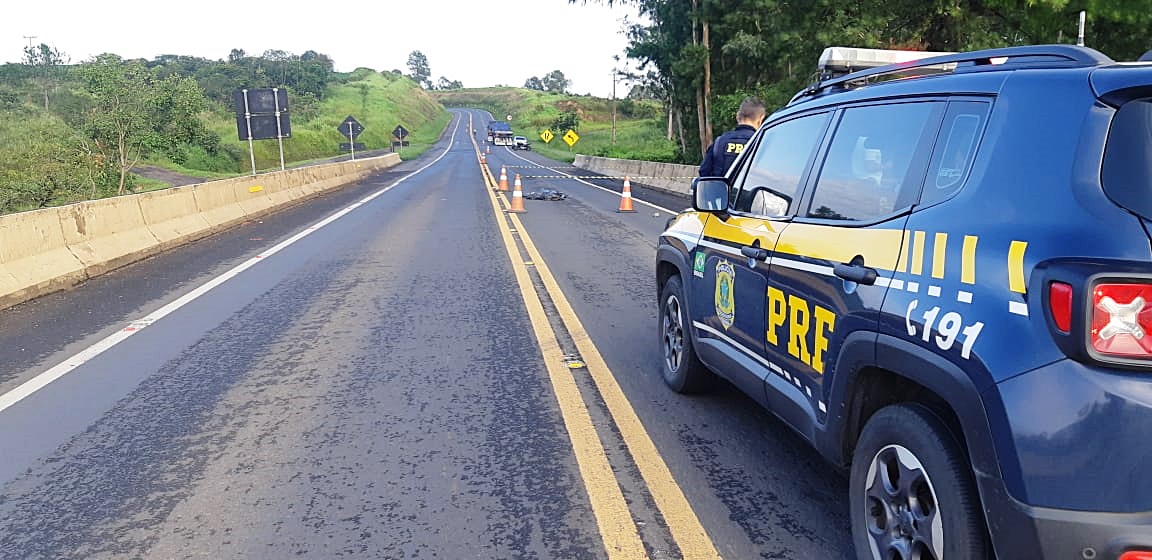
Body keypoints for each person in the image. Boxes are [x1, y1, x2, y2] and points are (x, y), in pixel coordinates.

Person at [699, 97, 766, 178]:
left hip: (721, 186)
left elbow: (704, 172)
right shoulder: (762, 144)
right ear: (760, 119)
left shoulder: (720, 142)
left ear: (737, 116)